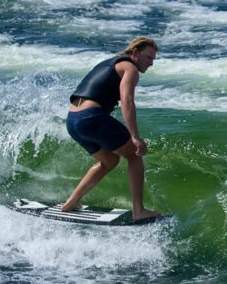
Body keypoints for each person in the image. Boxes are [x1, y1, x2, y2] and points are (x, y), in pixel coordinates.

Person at [61, 36, 164, 222]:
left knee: (109, 160)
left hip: (73, 120)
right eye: (149, 58)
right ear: (135, 53)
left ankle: (71, 202)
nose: (151, 64)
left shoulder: (110, 63)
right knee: (134, 155)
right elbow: (127, 101)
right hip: (91, 117)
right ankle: (138, 211)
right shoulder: (130, 68)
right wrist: (135, 136)